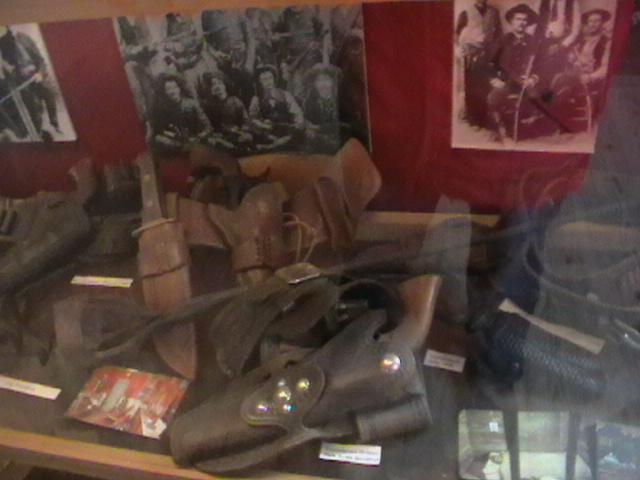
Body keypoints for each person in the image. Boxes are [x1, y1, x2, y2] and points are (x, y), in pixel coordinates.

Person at [486, 4, 542, 141]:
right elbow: (490, 64)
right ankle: (501, 126)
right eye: (518, 19)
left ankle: (527, 124)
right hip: (505, 81)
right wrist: (494, 79)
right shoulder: (502, 41)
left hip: (525, 81)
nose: (521, 23)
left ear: (527, 23)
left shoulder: (533, 42)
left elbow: (540, 65)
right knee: (494, 97)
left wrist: (533, 78)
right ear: (512, 21)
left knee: (537, 98)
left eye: (524, 20)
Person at [550, 8, 612, 130]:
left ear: (602, 22)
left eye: (597, 21)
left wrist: (591, 77)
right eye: (590, 21)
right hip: (578, 77)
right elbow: (573, 60)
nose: (593, 24)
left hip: (595, 79)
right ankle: (555, 117)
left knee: (562, 82)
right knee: (558, 79)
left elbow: (606, 68)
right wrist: (571, 58)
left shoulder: (607, 42)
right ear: (587, 23)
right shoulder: (581, 41)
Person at [0, 26, 60, 141]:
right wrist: (9, 69)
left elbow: (40, 60)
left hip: (36, 76)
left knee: (48, 93)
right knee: (31, 106)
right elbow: (8, 72)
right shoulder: (3, 46)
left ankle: (54, 125)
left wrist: (40, 73)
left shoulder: (24, 38)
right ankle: (38, 132)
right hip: (21, 82)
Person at [455, 0, 502, 128]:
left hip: (489, 54)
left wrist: (496, 53)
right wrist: (457, 49)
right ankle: (472, 117)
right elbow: (456, 33)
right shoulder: (466, 13)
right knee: (472, 86)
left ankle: (484, 116)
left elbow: (499, 35)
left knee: (485, 85)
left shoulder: (494, 12)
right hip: (471, 54)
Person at [150, 73, 213, 155]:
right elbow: (158, 135)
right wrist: (176, 145)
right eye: (168, 89)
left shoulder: (192, 104)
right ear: (164, 92)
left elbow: (208, 127)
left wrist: (198, 138)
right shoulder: (163, 110)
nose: (172, 91)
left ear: (179, 88)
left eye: (174, 87)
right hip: (177, 147)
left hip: (197, 144)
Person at [248, 64, 304, 152]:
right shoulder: (257, 99)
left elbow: (297, 113)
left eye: (270, 78)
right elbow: (252, 119)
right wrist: (262, 124)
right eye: (264, 79)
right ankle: (274, 145)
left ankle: (269, 147)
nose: (268, 82)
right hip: (268, 133)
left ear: (274, 79)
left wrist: (297, 123)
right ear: (259, 82)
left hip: (285, 130)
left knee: (297, 135)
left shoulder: (285, 95)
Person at [199, 70, 252, 154]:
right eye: (214, 84)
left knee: (247, 138)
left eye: (219, 83)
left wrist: (241, 130)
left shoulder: (235, 101)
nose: (217, 86)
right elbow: (209, 125)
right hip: (220, 138)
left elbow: (246, 121)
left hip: (236, 135)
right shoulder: (210, 105)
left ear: (225, 85)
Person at [301, 63, 343, 153]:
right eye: (318, 80)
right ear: (314, 84)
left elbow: (345, 126)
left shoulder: (342, 99)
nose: (323, 84)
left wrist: (321, 128)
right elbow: (308, 127)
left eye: (326, 79)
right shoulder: (309, 102)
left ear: (333, 81)